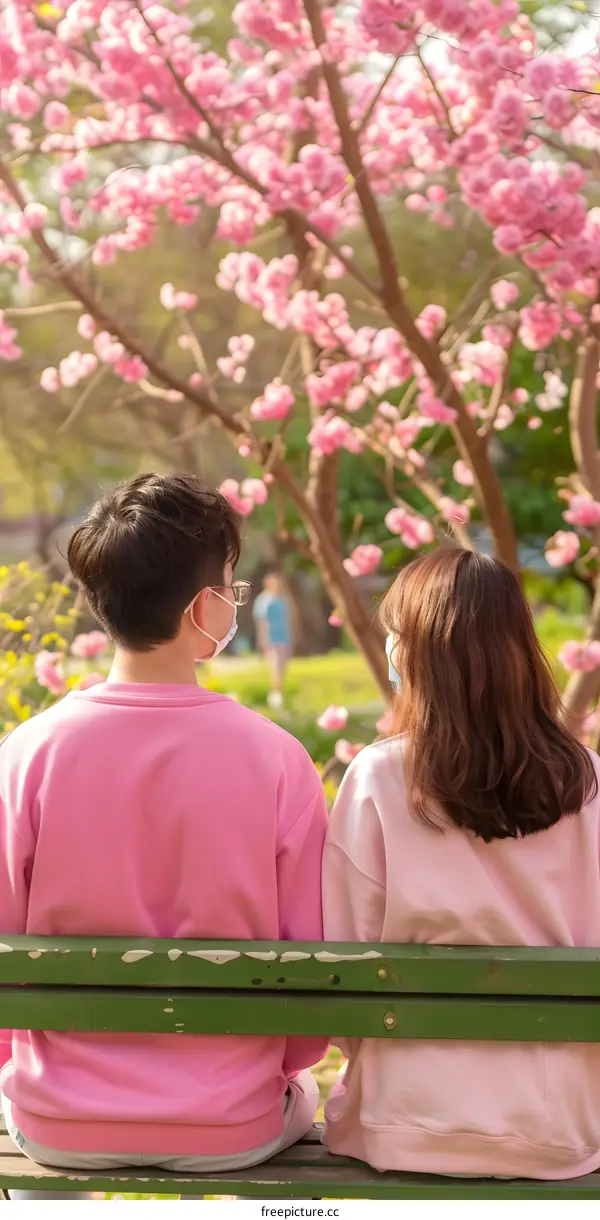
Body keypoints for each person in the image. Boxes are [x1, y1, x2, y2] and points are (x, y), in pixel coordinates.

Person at [0, 473, 328, 1200]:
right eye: (230, 586)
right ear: (204, 606)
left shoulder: (28, 755)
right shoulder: (277, 760)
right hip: (230, 1123)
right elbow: (311, 988)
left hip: (60, 1120)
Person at [322, 548, 600, 1182]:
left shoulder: (378, 778)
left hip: (404, 1120)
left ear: (418, 655)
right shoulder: (589, 785)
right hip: (559, 1126)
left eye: (394, 636)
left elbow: (343, 963)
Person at [252, 573, 292, 710]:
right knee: (275, 665)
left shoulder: (282, 599)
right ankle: (275, 695)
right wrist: (263, 639)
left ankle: (279, 692)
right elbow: (261, 622)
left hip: (284, 637)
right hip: (272, 638)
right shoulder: (264, 601)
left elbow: (287, 617)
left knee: (283, 665)